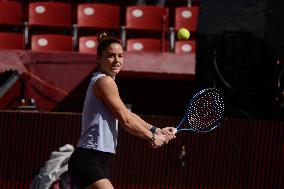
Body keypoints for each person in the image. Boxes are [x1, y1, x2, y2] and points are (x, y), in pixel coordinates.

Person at [68, 33, 176, 189]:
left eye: (120, 56)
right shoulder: (104, 81)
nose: (117, 60)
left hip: (99, 160)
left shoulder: (107, 82)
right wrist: (152, 137)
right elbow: (125, 120)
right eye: (111, 56)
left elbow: (129, 114)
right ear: (99, 58)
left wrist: (157, 130)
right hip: (88, 159)